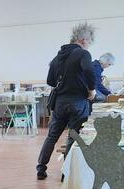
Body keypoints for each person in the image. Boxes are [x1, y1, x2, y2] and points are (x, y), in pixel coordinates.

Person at [36, 22, 97, 180]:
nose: (89, 45)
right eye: (90, 42)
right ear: (83, 40)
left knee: (52, 137)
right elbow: (89, 71)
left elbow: (50, 81)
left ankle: (41, 169)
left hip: (60, 103)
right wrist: (91, 89)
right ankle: (66, 172)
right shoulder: (83, 54)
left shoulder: (57, 57)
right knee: (73, 137)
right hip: (78, 102)